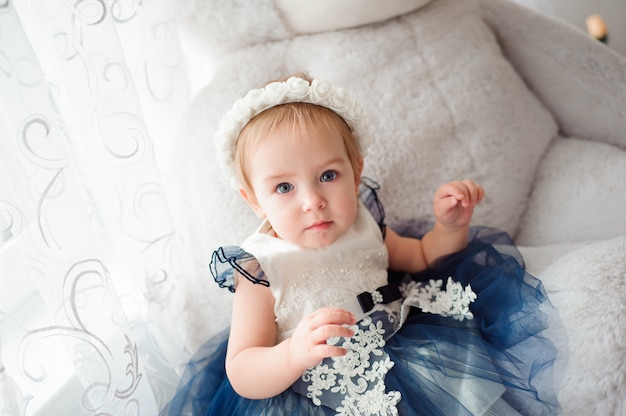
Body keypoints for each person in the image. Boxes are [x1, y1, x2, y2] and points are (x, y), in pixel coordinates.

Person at [161, 74, 562, 416]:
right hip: (316, 392)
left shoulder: (364, 225)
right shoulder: (260, 267)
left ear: (356, 175)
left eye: (328, 175)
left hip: (406, 357)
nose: (312, 200)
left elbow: (422, 258)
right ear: (253, 200)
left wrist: (449, 227)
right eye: (284, 187)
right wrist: (292, 354)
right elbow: (243, 368)